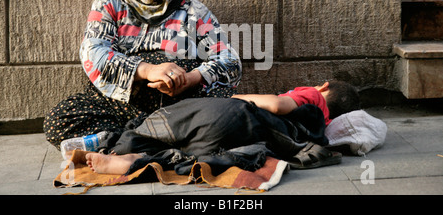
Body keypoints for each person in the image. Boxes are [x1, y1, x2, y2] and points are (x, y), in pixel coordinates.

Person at [44, 0, 241, 149]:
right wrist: (148, 70)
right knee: (59, 120)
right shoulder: (109, 4)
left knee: (232, 114)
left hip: (181, 105)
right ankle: (153, 138)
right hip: (120, 104)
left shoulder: (193, 11)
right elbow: (93, 53)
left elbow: (229, 61)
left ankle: (129, 141)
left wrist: (190, 79)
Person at [83, 81, 360, 175]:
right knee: (187, 154)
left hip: (235, 115)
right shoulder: (319, 126)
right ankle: (139, 162)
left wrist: (232, 98)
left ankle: (120, 147)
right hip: (241, 138)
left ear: (323, 87)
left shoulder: (313, 98)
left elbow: (276, 105)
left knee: (153, 129)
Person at [232, 80, 361, 126]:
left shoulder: (315, 96)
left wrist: (236, 97)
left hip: (241, 117)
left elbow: (277, 105)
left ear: (324, 87)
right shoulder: (324, 122)